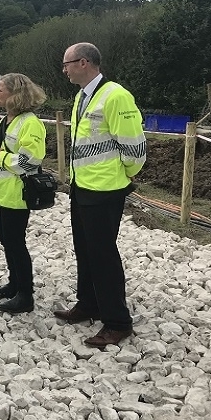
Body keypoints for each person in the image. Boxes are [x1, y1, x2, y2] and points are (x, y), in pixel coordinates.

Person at [53, 42, 146, 348]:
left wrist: (128, 172)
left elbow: (134, 146)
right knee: (85, 249)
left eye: (66, 64)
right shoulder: (82, 96)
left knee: (103, 255)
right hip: (83, 186)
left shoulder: (116, 96)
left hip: (105, 189)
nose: (63, 69)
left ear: (83, 63)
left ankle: (118, 322)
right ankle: (88, 304)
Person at [0, 73, 47, 314]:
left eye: (0, 89)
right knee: (6, 239)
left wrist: (2, 157)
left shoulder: (30, 122)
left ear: (14, 94)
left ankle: (25, 295)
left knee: (16, 243)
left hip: (17, 194)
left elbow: (32, 160)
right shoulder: (5, 121)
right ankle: (14, 284)